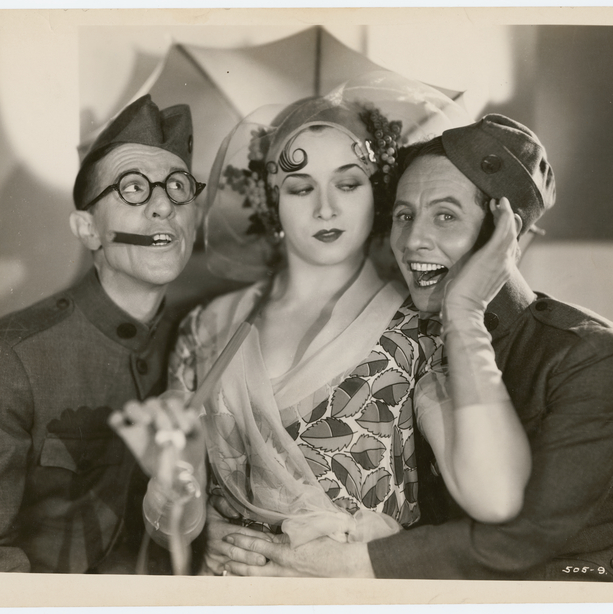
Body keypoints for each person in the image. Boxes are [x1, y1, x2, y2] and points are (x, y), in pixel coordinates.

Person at [111, 73, 531, 575]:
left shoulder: (416, 328)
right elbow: (173, 528)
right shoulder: (207, 327)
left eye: (348, 184)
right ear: (272, 200)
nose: (325, 208)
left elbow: (497, 497)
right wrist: (173, 482)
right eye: (300, 187)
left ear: (377, 193)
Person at [216, 114, 613, 582]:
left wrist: (351, 563)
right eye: (404, 216)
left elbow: (528, 534)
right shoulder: (402, 340)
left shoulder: (594, 354)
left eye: (445, 216)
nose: (413, 241)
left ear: (503, 236)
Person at [0, 94, 206, 573]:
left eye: (178, 187)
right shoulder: (5, 361)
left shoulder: (202, 335)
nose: (163, 206)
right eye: (133, 188)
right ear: (88, 229)